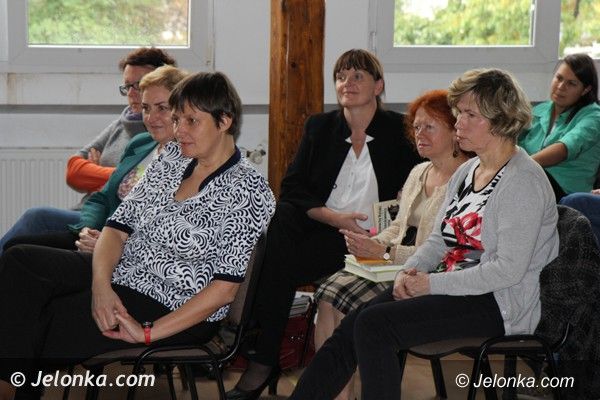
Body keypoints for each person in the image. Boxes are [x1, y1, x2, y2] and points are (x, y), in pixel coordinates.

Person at [0, 71, 276, 400]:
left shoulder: (248, 189)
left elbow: (224, 291)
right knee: (21, 262)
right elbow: (117, 228)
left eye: (191, 120)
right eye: (177, 119)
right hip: (125, 275)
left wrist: (148, 333)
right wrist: (101, 287)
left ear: (225, 120)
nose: (179, 130)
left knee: (45, 317)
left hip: (174, 304)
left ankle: (16, 389)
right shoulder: (173, 158)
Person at [289, 68, 559, 400]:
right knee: (357, 321)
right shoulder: (468, 171)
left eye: (470, 114)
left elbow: (507, 271)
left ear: (500, 120)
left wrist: (430, 284)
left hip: (495, 304)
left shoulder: (522, 181)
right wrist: (409, 272)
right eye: (459, 113)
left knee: (375, 326)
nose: (458, 123)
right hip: (452, 287)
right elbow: (439, 240)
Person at [225, 49, 420, 400]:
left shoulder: (400, 129)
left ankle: (262, 359)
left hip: (374, 241)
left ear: (378, 86)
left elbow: (422, 184)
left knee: (276, 264)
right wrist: (334, 217)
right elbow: (292, 188)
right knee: (281, 222)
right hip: (326, 231)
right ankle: (265, 355)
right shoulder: (320, 127)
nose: (347, 83)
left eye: (358, 76)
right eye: (341, 76)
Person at [312, 89, 470, 400]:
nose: (419, 134)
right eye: (416, 126)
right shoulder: (419, 171)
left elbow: (441, 252)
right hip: (393, 261)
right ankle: (339, 396)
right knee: (328, 295)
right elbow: (397, 227)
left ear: (455, 131)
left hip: (425, 272)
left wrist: (384, 252)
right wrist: (370, 243)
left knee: (347, 304)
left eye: (429, 127)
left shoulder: (464, 181)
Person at [0, 47, 176, 255]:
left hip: (109, 227)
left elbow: (134, 188)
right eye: (127, 86)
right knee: (17, 247)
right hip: (89, 215)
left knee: (34, 219)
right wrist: (115, 178)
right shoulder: (123, 123)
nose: (131, 93)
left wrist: (105, 175)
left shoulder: (158, 134)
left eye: (139, 85)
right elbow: (74, 171)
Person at [519, 53, 600, 201]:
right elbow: (510, 142)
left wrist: (518, 167)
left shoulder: (593, 117)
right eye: (559, 78)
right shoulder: (539, 111)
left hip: (566, 194)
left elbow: (564, 149)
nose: (561, 87)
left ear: (586, 90)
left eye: (571, 83)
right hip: (532, 181)